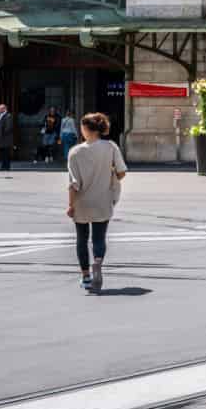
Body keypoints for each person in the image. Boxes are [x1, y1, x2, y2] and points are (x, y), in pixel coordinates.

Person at [66, 112, 128, 294]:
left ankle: (85, 276)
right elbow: (122, 172)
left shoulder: (75, 152)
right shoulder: (110, 147)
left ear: (86, 129)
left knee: (82, 239)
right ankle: (98, 262)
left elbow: (73, 183)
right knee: (99, 237)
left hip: (82, 202)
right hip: (104, 199)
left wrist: (70, 205)